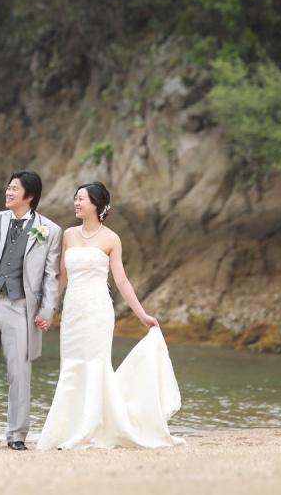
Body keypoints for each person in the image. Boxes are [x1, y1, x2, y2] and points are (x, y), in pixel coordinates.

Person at [37, 181, 185, 450]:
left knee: (95, 365)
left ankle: (90, 429)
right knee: (71, 365)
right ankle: (65, 428)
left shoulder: (111, 239)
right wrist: (47, 310)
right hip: (73, 311)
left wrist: (141, 315)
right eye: (75, 198)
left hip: (97, 311)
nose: (76, 203)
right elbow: (61, 277)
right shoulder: (68, 234)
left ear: (96, 204)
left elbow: (122, 281)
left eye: (81, 198)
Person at [0, 170, 62, 450]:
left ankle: (17, 434)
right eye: (8, 188)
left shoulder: (50, 230)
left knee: (20, 373)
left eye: (14, 189)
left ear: (29, 196)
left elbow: (50, 276)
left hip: (22, 309)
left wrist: (47, 310)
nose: (8, 192)